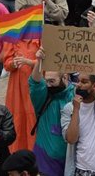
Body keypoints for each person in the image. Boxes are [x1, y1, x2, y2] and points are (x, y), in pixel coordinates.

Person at [29, 46, 74, 175]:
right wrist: (39, 61)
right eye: (47, 81)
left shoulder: (76, 94)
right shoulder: (43, 97)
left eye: (52, 81)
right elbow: (35, 82)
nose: (48, 85)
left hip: (70, 160)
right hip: (45, 161)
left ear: (65, 77)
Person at [2, 33, 40, 154]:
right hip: (17, 88)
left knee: (35, 117)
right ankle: (17, 155)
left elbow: (48, 61)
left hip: (37, 83)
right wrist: (13, 63)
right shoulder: (12, 37)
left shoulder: (41, 36)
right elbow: (6, 63)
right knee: (18, 119)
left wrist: (28, 62)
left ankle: (37, 155)